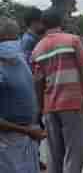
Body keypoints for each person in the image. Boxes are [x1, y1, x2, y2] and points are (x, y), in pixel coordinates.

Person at [32, 10, 83, 173]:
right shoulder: (72, 40)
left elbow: (37, 81)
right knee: (74, 151)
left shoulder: (38, 48)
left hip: (50, 106)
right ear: (61, 23)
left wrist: (40, 108)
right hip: (72, 103)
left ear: (43, 24)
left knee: (54, 153)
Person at [0, 17, 47, 173]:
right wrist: (27, 130)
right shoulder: (15, 59)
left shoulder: (19, 59)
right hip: (9, 140)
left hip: (25, 138)